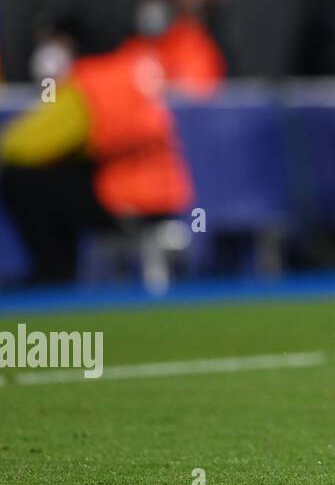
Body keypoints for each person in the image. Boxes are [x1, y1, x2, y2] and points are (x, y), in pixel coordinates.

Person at [0, 15, 193, 284]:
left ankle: (53, 272)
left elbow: (22, 145)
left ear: (66, 43)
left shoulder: (87, 82)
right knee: (62, 176)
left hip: (122, 200)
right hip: (167, 200)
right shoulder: (133, 69)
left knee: (20, 178)